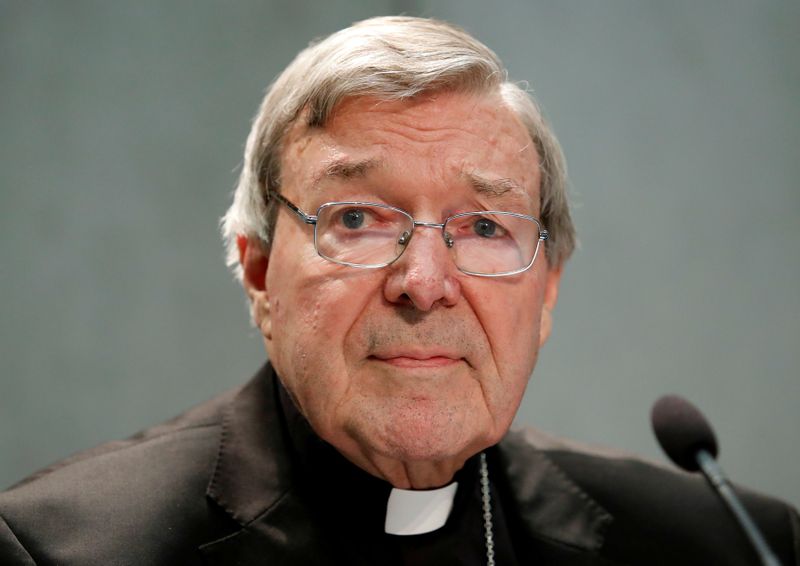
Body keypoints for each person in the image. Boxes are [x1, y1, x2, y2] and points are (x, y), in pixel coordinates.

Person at [0, 16, 797, 566]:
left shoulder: (727, 545)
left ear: (547, 291)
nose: (424, 285)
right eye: (357, 218)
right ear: (257, 272)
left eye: (485, 228)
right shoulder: (63, 548)